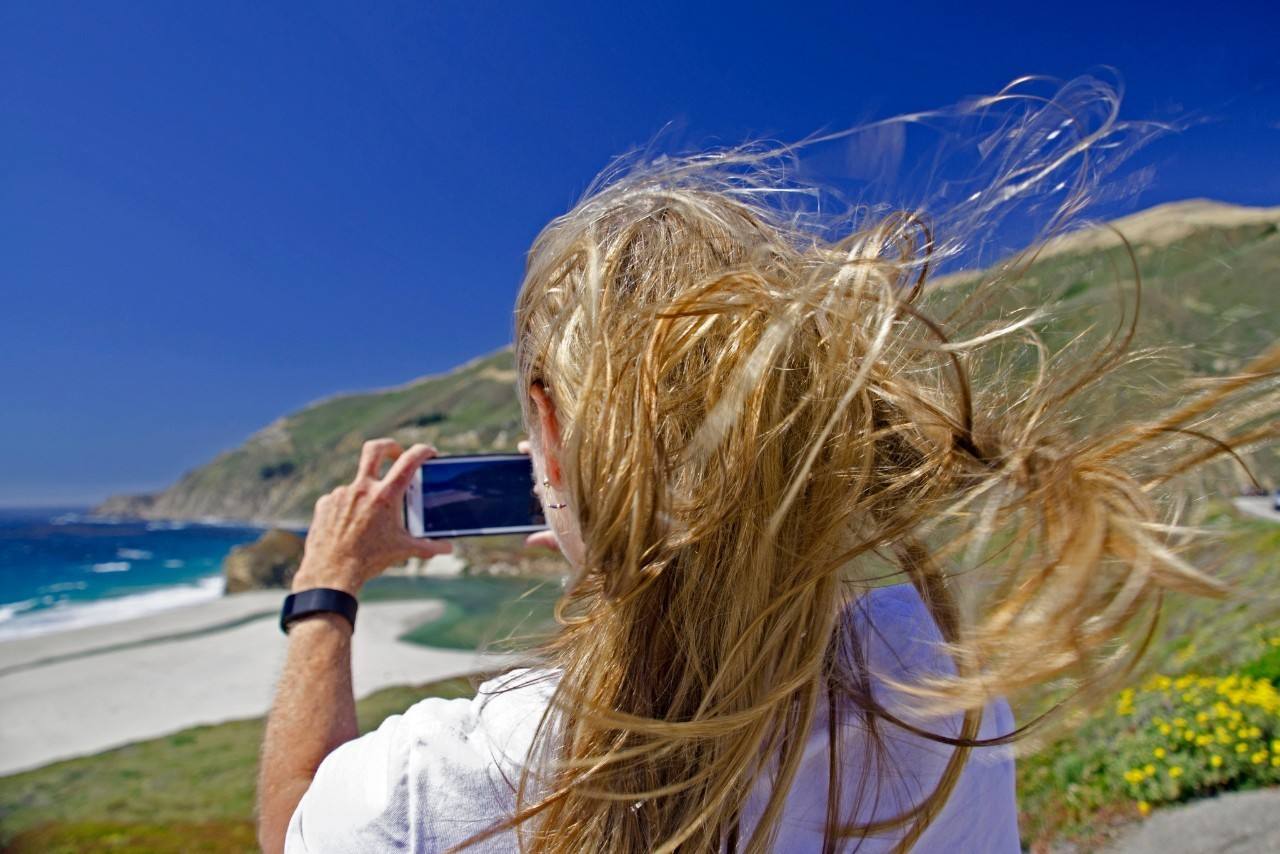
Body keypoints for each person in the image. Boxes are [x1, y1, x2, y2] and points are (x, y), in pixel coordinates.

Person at [257, 82, 1278, 853]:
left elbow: (296, 825)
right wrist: (627, 562)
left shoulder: (435, 781)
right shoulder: (937, 677)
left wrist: (325, 591)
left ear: (552, 437)